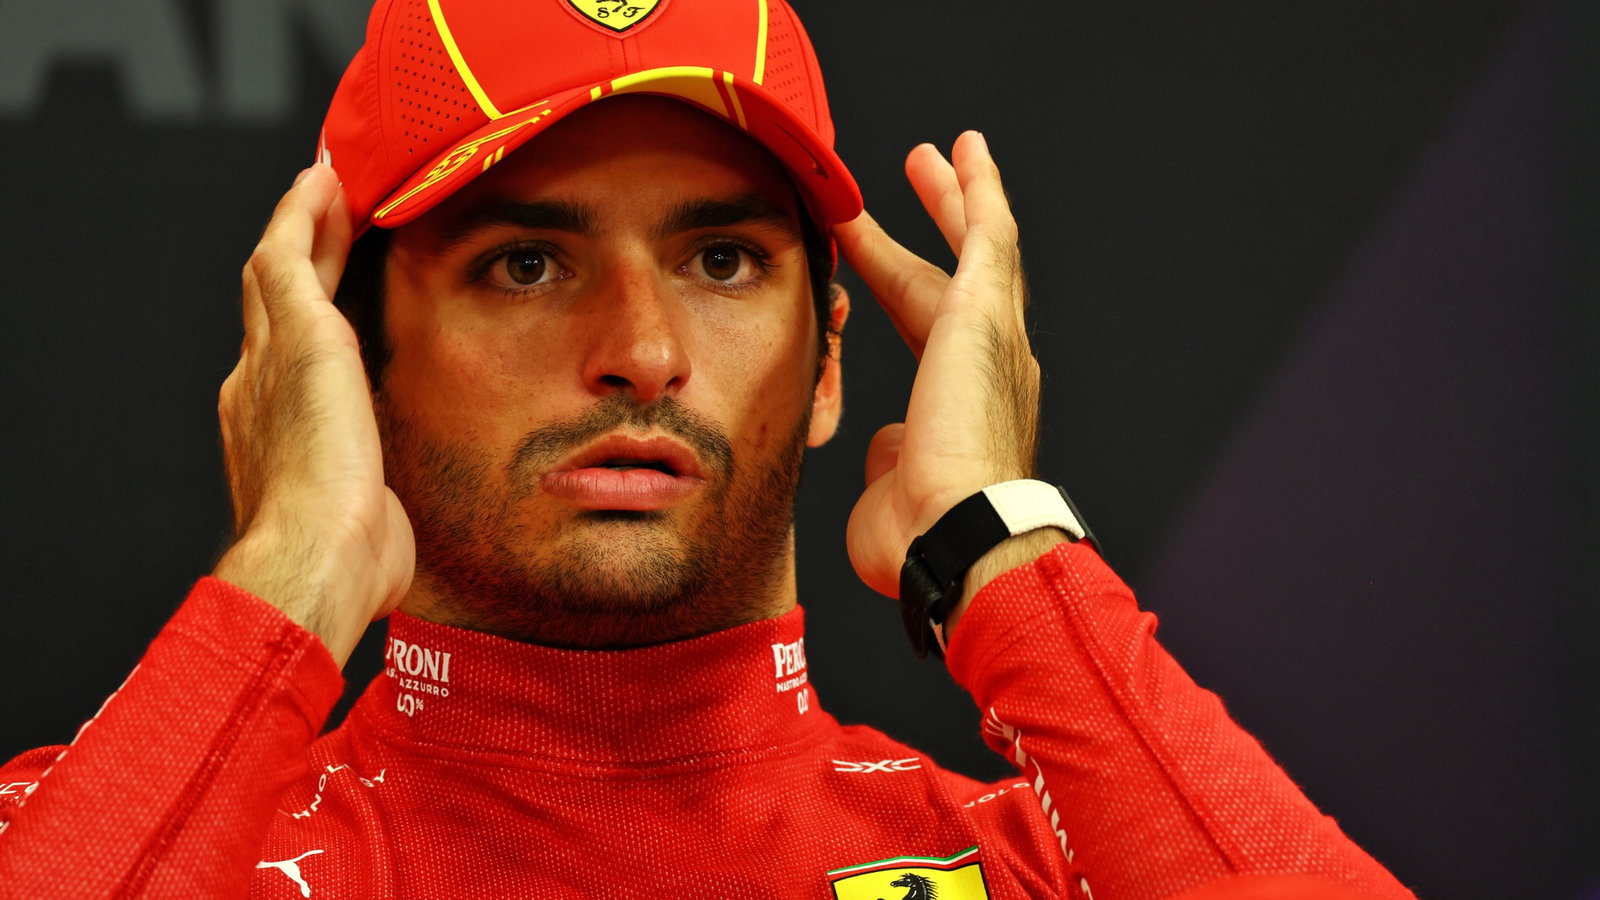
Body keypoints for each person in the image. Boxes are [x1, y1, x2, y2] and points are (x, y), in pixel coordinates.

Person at [0, 0, 1415, 897]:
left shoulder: (1039, 868)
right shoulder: (186, 841)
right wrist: (295, 572)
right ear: (352, 360)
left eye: (724, 259)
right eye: (525, 267)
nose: (643, 347)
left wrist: (1001, 546)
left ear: (832, 363)